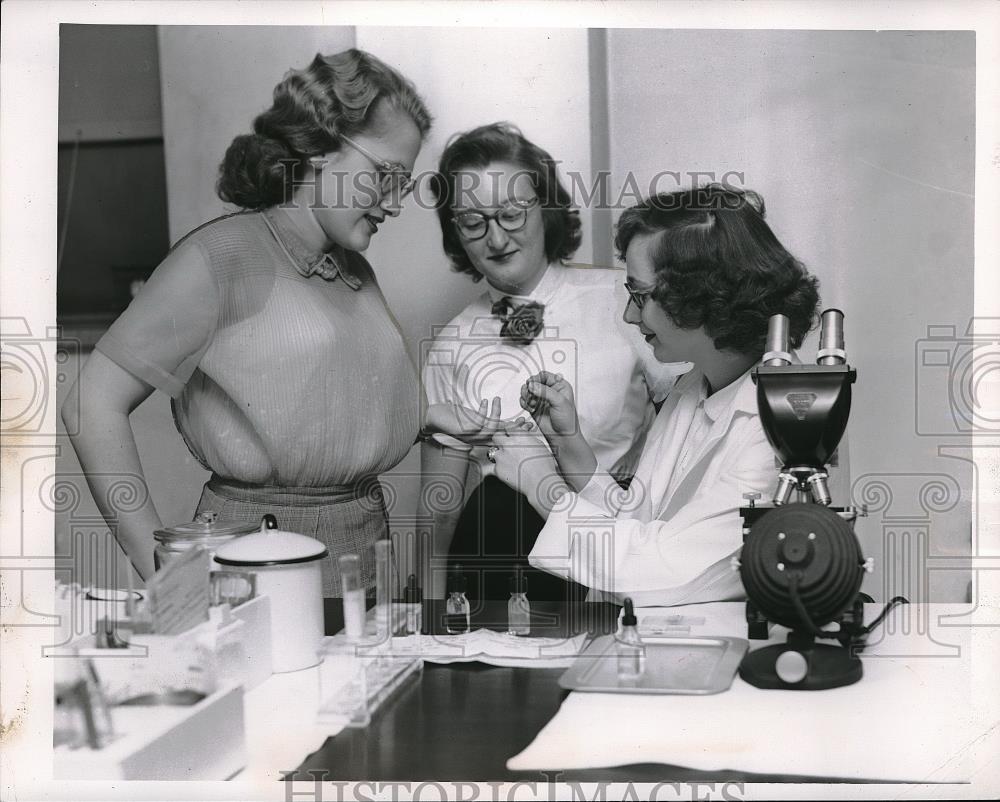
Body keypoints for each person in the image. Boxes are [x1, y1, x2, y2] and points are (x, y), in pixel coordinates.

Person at [62, 49, 432, 594]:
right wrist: (163, 569)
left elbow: (317, 407)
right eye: (387, 176)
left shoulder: (356, 271)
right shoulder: (220, 257)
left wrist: (433, 415)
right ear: (322, 149)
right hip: (257, 567)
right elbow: (90, 403)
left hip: (365, 559)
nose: (395, 202)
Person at [489, 184, 822, 606]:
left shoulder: (782, 424)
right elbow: (637, 520)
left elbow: (663, 568)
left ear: (705, 300)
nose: (630, 315)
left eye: (640, 296)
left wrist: (539, 481)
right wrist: (565, 443)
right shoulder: (694, 387)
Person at [418, 123, 683, 601]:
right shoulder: (453, 342)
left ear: (546, 208)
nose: (496, 238)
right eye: (473, 222)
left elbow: (687, 442)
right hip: (494, 565)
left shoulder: (623, 303)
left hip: (607, 553)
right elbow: (441, 507)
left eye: (512, 214)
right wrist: (428, 614)